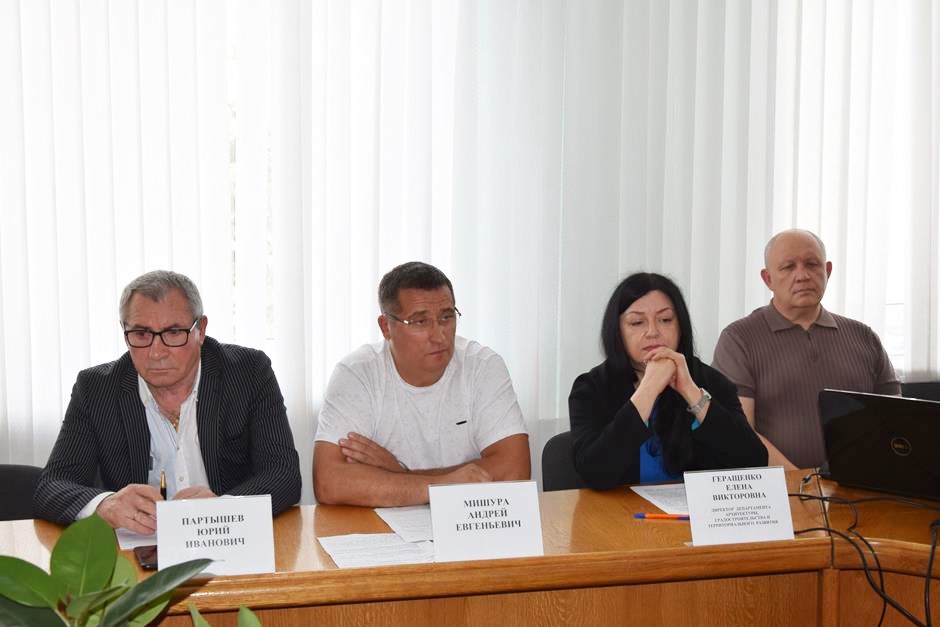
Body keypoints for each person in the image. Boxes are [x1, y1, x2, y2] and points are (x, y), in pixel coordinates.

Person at [33, 270, 302, 533]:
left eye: (173, 333)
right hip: (137, 548)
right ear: (125, 333)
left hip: (228, 539)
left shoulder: (248, 373)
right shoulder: (97, 389)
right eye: (141, 334)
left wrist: (224, 509)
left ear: (200, 330)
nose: (156, 352)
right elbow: (52, 487)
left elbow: (283, 475)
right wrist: (106, 505)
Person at [313, 261, 530, 507]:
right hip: (379, 526)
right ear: (386, 327)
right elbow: (329, 482)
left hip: (466, 521)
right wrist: (443, 485)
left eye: (446, 317)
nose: (439, 336)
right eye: (420, 322)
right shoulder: (357, 373)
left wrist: (400, 474)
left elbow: (515, 471)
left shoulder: (483, 366)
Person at [712, 229, 899, 469]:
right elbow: (741, 432)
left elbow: (895, 421)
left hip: (860, 483)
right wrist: (802, 482)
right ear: (768, 279)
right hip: (778, 486)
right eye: (788, 267)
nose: (802, 276)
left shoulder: (864, 337)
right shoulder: (738, 339)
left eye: (812, 264)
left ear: (827, 271)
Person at [569, 273, 767, 490]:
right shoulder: (591, 388)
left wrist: (691, 392)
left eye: (665, 320)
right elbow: (594, 473)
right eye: (637, 322)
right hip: (619, 510)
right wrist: (648, 389)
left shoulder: (710, 381)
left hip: (693, 509)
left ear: (681, 326)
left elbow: (754, 461)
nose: (652, 332)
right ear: (617, 331)